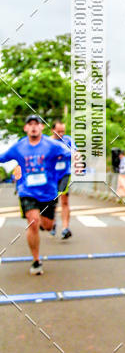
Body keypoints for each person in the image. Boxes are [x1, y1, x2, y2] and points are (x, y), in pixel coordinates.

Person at [0, 114, 66, 274]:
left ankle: (50, 224)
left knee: (47, 224)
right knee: (33, 221)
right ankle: (36, 261)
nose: (33, 126)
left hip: (48, 192)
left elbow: (70, 153)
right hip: (27, 191)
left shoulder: (51, 144)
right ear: (26, 128)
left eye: (37, 123)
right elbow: (2, 158)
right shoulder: (19, 147)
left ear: (42, 127)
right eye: (30, 124)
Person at [51, 120, 75, 240]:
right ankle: (52, 223)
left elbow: (75, 152)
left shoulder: (68, 140)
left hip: (65, 173)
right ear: (52, 130)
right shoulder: (47, 142)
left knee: (64, 201)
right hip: (51, 176)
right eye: (58, 131)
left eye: (63, 131)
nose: (61, 134)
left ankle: (65, 228)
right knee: (52, 201)